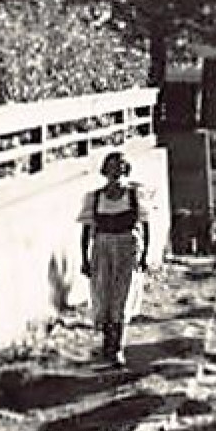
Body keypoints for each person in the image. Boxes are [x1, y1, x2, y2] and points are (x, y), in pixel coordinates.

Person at [78, 152, 150, 368]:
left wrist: (144, 254)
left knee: (123, 295)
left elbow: (145, 226)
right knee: (103, 295)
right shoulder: (95, 198)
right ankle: (107, 345)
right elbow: (86, 230)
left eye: (119, 167)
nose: (115, 172)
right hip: (102, 247)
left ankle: (117, 347)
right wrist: (84, 258)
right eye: (111, 167)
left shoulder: (134, 195)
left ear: (125, 169)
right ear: (105, 171)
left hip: (126, 246)